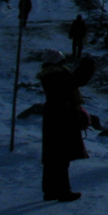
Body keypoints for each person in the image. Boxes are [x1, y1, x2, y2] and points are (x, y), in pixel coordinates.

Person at [36, 49, 95, 202]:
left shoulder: (48, 74)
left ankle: (50, 191)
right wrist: (86, 67)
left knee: (52, 157)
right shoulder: (58, 74)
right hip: (62, 116)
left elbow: (72, 82)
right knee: (62, 157)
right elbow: (75, 81)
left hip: (53, 115)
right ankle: (63, 191)